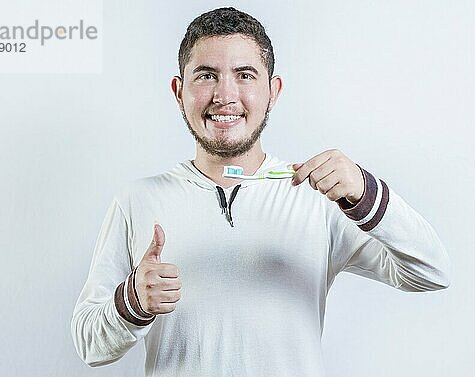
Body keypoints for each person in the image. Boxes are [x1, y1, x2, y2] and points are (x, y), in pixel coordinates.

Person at [71, 7, 450, 377]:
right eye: (206, 75)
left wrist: (366, 193)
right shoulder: (137, 202)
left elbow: (431, 272)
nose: (225, 95)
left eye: (245, 75)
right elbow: (89, 345)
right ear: (178, 90)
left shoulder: (321, 198)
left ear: (273, 91)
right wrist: (132, 302)